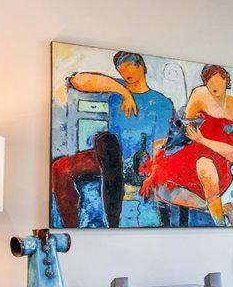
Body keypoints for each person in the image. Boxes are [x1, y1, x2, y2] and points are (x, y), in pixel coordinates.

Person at [53, 51, 174, 227]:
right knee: (60, 168)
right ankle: (72, 229)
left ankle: (112, 222)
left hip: (137, 162)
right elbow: (76, 80)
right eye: (121, 69)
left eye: (130, 67)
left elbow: (159, 146)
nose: (125, 72)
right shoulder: (117, 89)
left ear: (142, 68)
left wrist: (153, 174)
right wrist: (123, 91)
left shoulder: (161, 103)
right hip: (108, 154)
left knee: (108, 142)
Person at [140, 65, 233, 225]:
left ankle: (221, 225)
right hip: (190, 154)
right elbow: (185, 132)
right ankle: (222, 209)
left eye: (218, 81)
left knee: (206, 168)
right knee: (160, 187)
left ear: (226, 80)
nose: (213, 86)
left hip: (218, 161)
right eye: (209, 81)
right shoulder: (198, 95)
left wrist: (202, 140)